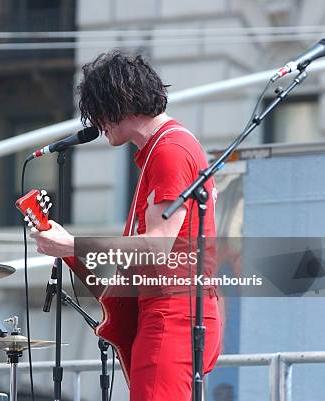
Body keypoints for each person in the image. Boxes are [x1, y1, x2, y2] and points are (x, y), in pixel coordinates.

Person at [30, 50, 222, 401]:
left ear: (118, 102)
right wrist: (70, 249)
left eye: (97, 112)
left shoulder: (171, 151)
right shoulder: (162, 150)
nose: (96, 124)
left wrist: (72, 246)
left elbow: (158, 246)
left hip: (172, 316)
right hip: (168, 312)